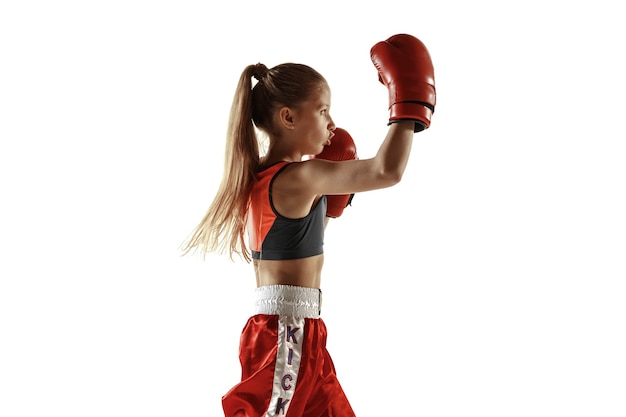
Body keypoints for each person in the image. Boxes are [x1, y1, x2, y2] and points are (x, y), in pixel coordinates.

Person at [181, 34, 435, 417]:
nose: (332, 123)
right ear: (288, 117)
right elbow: (387, 171)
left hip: (297, 329)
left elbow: (299, 248)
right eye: (323, 111)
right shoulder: (301, 177)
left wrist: (330, 210)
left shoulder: (263, 179)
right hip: (288, 332)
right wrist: (409, 103)